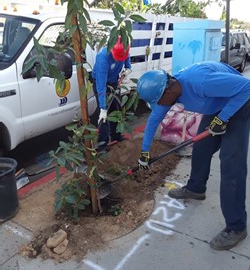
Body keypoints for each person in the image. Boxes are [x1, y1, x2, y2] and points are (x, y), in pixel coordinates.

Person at [136, 61, 250, 251]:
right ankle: (196, 188)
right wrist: (144, 151)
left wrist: (223, 119)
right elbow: (155, 118)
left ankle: (236, 226)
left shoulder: (200, 82)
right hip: (216, 105)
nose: (158, 106)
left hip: (239, 103)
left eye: (158, 102)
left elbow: (247, 87)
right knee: (201, 148)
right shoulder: (170, 93)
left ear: (167, 91)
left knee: (231, 163)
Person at [92, 36, 132, 151]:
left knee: (116, 109)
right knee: (105, 115)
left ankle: (116, 136)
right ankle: (102, 144)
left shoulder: (123, 50)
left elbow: (127, 62)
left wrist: (127, 69)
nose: (120, 60)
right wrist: (103, 108)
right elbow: (101, 86)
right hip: (101, 83)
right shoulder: (103, 58)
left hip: (114, 81)